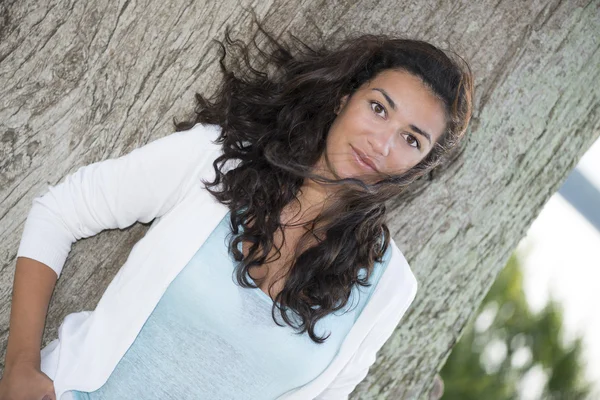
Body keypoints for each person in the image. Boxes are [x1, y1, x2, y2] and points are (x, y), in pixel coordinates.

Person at [0, 15, 473, 400]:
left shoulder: (389, 287)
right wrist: (20, 365)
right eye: (378, 108)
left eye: (411, 139)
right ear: (343, 99)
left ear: (418, 167)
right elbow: (60, 210)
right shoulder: (217, 159)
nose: (382, 142)